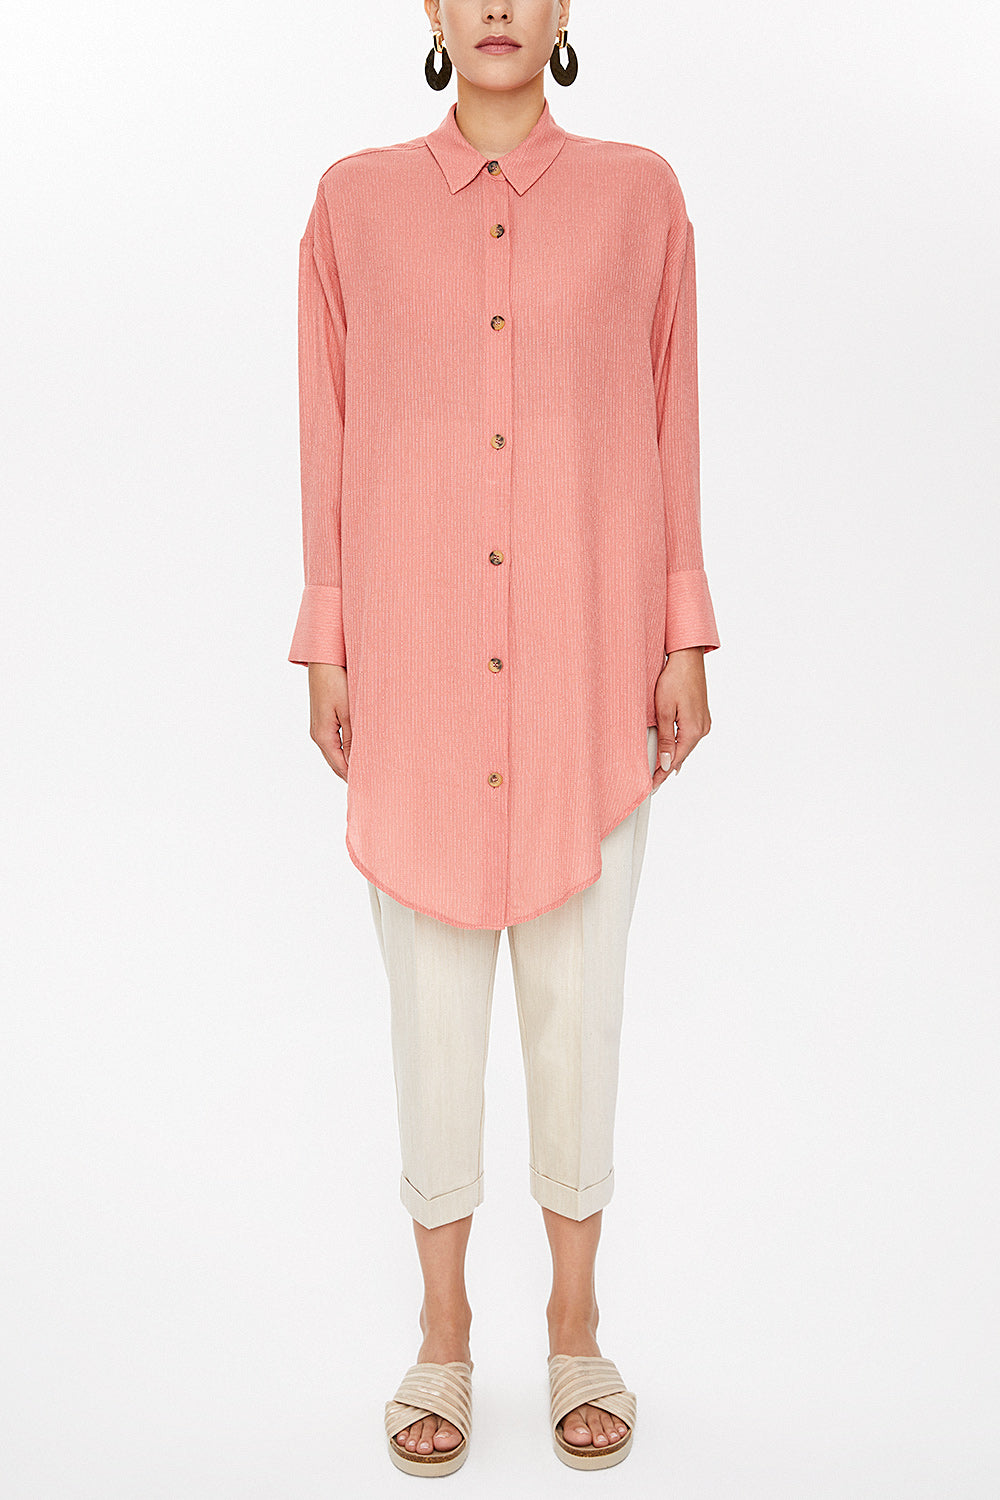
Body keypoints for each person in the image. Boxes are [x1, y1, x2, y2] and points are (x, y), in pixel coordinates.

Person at [288, 1, 721, 1476]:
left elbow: (669, 415)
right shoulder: (352, 206)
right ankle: (442, 1331)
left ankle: (577, 1322)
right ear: (427, 6)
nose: (494, 7)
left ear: (564, 7)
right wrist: (328, 632)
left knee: (578, 1010)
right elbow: (328, 429)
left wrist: (683, 625)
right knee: (429, 1017)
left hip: (587, 668)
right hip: (415, 673)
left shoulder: (640, 198)